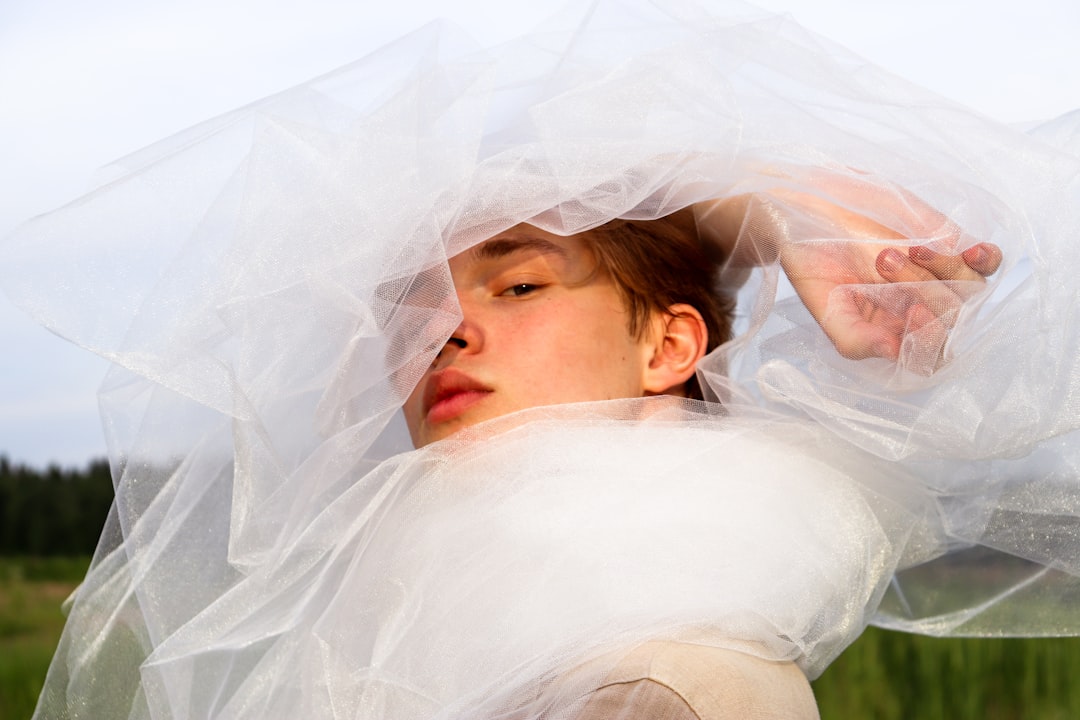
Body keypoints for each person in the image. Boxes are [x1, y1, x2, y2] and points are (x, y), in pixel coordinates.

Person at [5, 1, 1079, 718]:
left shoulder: (654, 681)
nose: (446, 331)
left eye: (519, 286)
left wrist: (766, 202)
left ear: (668, 347)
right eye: (412, 308)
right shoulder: (455, 639)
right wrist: (755, 204)